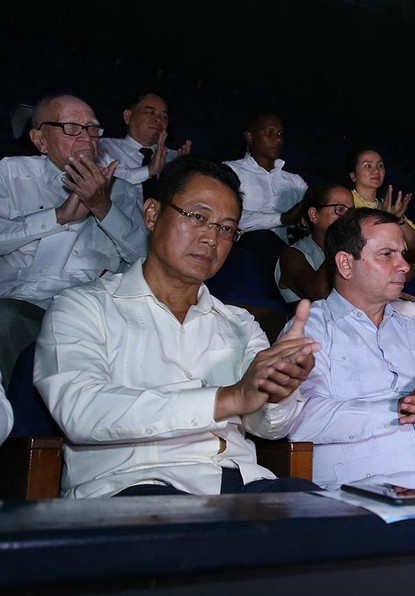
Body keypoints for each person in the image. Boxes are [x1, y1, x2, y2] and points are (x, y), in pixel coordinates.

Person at [34, 156, 320, 498]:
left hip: (240, 484)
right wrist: (225, 400)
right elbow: (82, 411)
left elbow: (269, 428)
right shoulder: (82, 307)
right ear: (152, 214)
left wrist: (278, 391)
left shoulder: (239, 323)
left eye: (227, 228)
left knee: (334, 517)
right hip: (132, 487)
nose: (211, 238)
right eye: (199, 217)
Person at [286, 208, 415, 489]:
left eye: (402, 254)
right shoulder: (311, 329)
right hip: (366, 492)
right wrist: (399, 408)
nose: (404, 266)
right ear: (346, 264)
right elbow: (299, 420)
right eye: (387, 254)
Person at [0, 94, 148, 392]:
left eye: (92, 129)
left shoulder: (124, 192)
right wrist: (57, 217)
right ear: (40, 140)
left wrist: (104, 208)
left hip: (87, 312)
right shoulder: (10, 174)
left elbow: (145, 259)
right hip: (16, 300)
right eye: (71, 127)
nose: (86, 137)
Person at [275, 182, 415, 360]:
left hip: (370, 318)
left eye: (351, 211)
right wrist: (342, 243)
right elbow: (317, 292)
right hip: (326, 334)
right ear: (314, 215)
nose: (348, 218)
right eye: (339, 210)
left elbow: (407, 273)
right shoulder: (293, 255)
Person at [224, 112, 308, 270]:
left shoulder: (295, 182)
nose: (277, 139)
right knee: (262, 237)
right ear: (249, 137)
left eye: (280, 134)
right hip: (245, 244)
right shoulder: (230, 171)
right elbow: (230, 217)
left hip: (287, 248)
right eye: (269, 133)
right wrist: (282, 218)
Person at [98, 91, 191, 198]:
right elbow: (101, 185)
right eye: (150, 113)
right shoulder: (104, 147)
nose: (158, 119)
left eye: (164, 116)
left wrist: (182, 176)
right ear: (128, 116)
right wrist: (149, 170)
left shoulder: (174, 158)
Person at [346, 146, 415, 254]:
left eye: (380, 165)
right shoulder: (347, 202)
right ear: (353, 175)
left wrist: (397, 219)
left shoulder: (389, 208)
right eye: (368, 166)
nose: (376, 170)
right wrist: (386, 219)